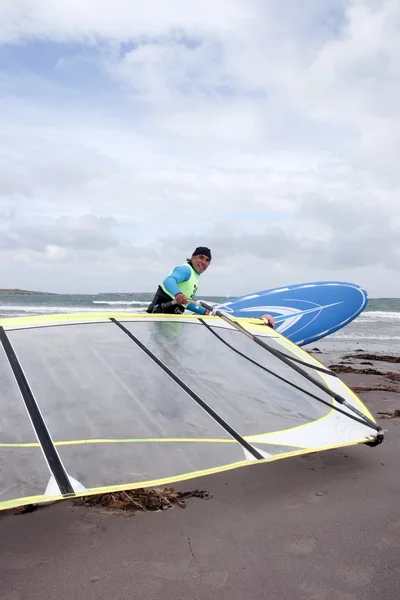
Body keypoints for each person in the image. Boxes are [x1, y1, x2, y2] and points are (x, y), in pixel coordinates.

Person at [146, 246, 213, 315]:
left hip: (172, 320)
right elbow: (169, 281)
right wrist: (178, 294)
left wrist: (205, 312)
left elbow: (186, 304)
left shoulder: (194, 276)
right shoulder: (186, 270)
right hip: (159, 316)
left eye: (207, 260)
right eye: (201, 257)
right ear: (193, 258)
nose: (204, 262)